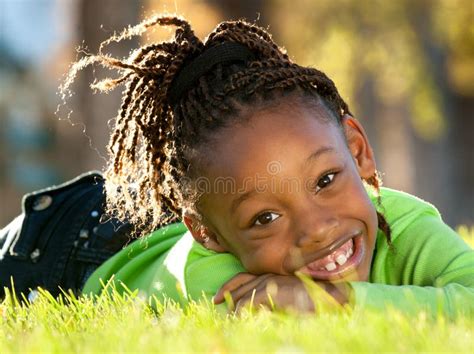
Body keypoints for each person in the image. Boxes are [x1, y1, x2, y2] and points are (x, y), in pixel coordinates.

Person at [4, 15, 474, 318]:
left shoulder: (405, 222)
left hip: (191, 211)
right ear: (208, 236)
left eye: (326, 180)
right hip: (66, 249)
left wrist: (329, 302)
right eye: (266, 218)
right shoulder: (215, 283)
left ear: (357, 150)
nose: (315, 229)